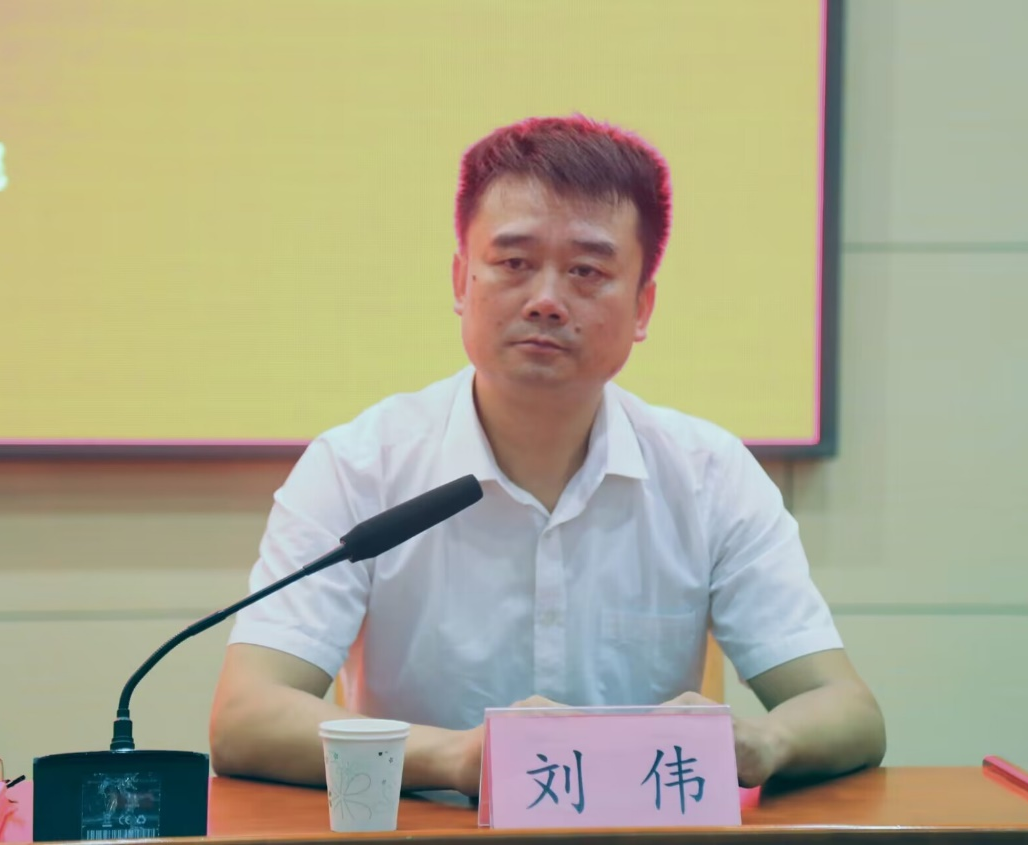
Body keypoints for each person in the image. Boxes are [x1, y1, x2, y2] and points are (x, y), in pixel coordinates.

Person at [209, 115, 885, 794]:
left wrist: (762, 741)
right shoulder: (358, 466)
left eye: (587, 271)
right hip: (427, 831)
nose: (547, 301)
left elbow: (848, 711)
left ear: (643, 306)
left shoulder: (709, 475)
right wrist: (456, 759)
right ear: (460, 280)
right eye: (514, 263)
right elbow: (246, 716)